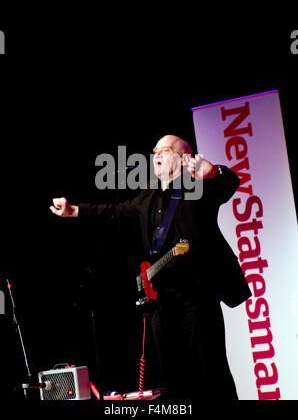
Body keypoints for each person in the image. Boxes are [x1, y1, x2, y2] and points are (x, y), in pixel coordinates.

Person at [50, 135, 251, 401]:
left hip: (197, 296)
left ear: (183, 158)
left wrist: (214, 172)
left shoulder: (198, 186)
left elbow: (229, 184)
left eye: (164, 150)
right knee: (174, 376)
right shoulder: (147, 195)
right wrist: (75, 210)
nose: (155, 154)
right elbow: (114, 212)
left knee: (210, 372)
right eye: (154, 150)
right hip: (161, 300)